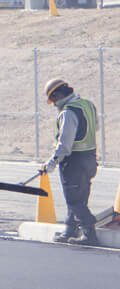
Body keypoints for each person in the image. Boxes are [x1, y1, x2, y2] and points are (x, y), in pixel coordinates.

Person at [42, 78, 99, 245]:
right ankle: (70, 229)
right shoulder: (87, 104)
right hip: (90, 158)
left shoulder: (68, 112)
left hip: (74, 162)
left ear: (58, 94)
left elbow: (65, 145)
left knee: (74, 200)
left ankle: (89, 233)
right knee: (78, 198)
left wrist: (51, 163)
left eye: (52, 100)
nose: (53, 104)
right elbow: (95, 128)